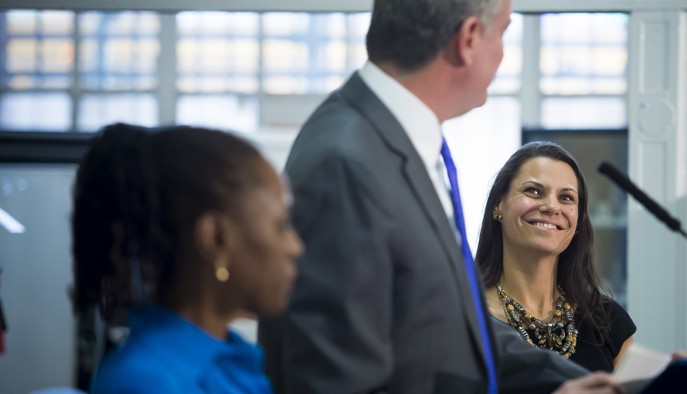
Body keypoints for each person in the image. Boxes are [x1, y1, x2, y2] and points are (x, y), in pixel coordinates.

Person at [257, 0, 623, 393]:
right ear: (468, 39)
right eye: (502, 32)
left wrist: (595, 383)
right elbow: (332, 375)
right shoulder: (346, 161)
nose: (502, 53)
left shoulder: (397, 141)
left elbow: (452, 331)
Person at [71, 123, 304, 393]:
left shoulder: (232, 360)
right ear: (216, 238)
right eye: (281, 225)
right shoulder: (147, 383)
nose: (295, 247)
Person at [476, 141, 636, 373]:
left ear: (579, 220)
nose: (552, 207)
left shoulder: (608, 320)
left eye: (566, 198)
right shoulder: (466, 320)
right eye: (533, 191)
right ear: (498, 205)